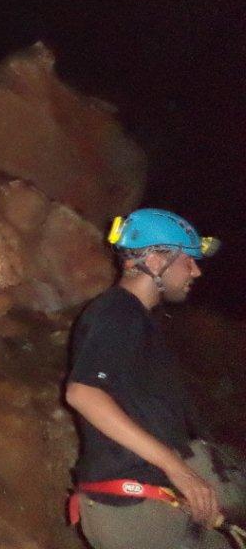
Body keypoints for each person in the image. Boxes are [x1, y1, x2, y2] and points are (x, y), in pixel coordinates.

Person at [66, 208, 245, 549]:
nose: (196, 270)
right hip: (135, 511)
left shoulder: (136, 319)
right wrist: (178, 470)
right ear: (154, 258)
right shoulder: (118, 311)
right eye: (187, 260)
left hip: (153, 506)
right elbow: (83, 393)